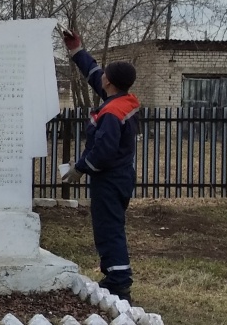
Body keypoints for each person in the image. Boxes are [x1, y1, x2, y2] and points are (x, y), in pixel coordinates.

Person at [60, 29, 141, 302]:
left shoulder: (110, 113)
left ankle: (118, 284)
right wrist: (76, 50)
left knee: (109, 229)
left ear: (110, 82)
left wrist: (79, 169)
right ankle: (114, 277)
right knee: (110, 227)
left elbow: (103, 152)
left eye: (105, 73)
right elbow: (93, 73)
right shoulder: (121, 100)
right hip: (120, 176)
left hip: (110, 179)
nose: (101, 74)